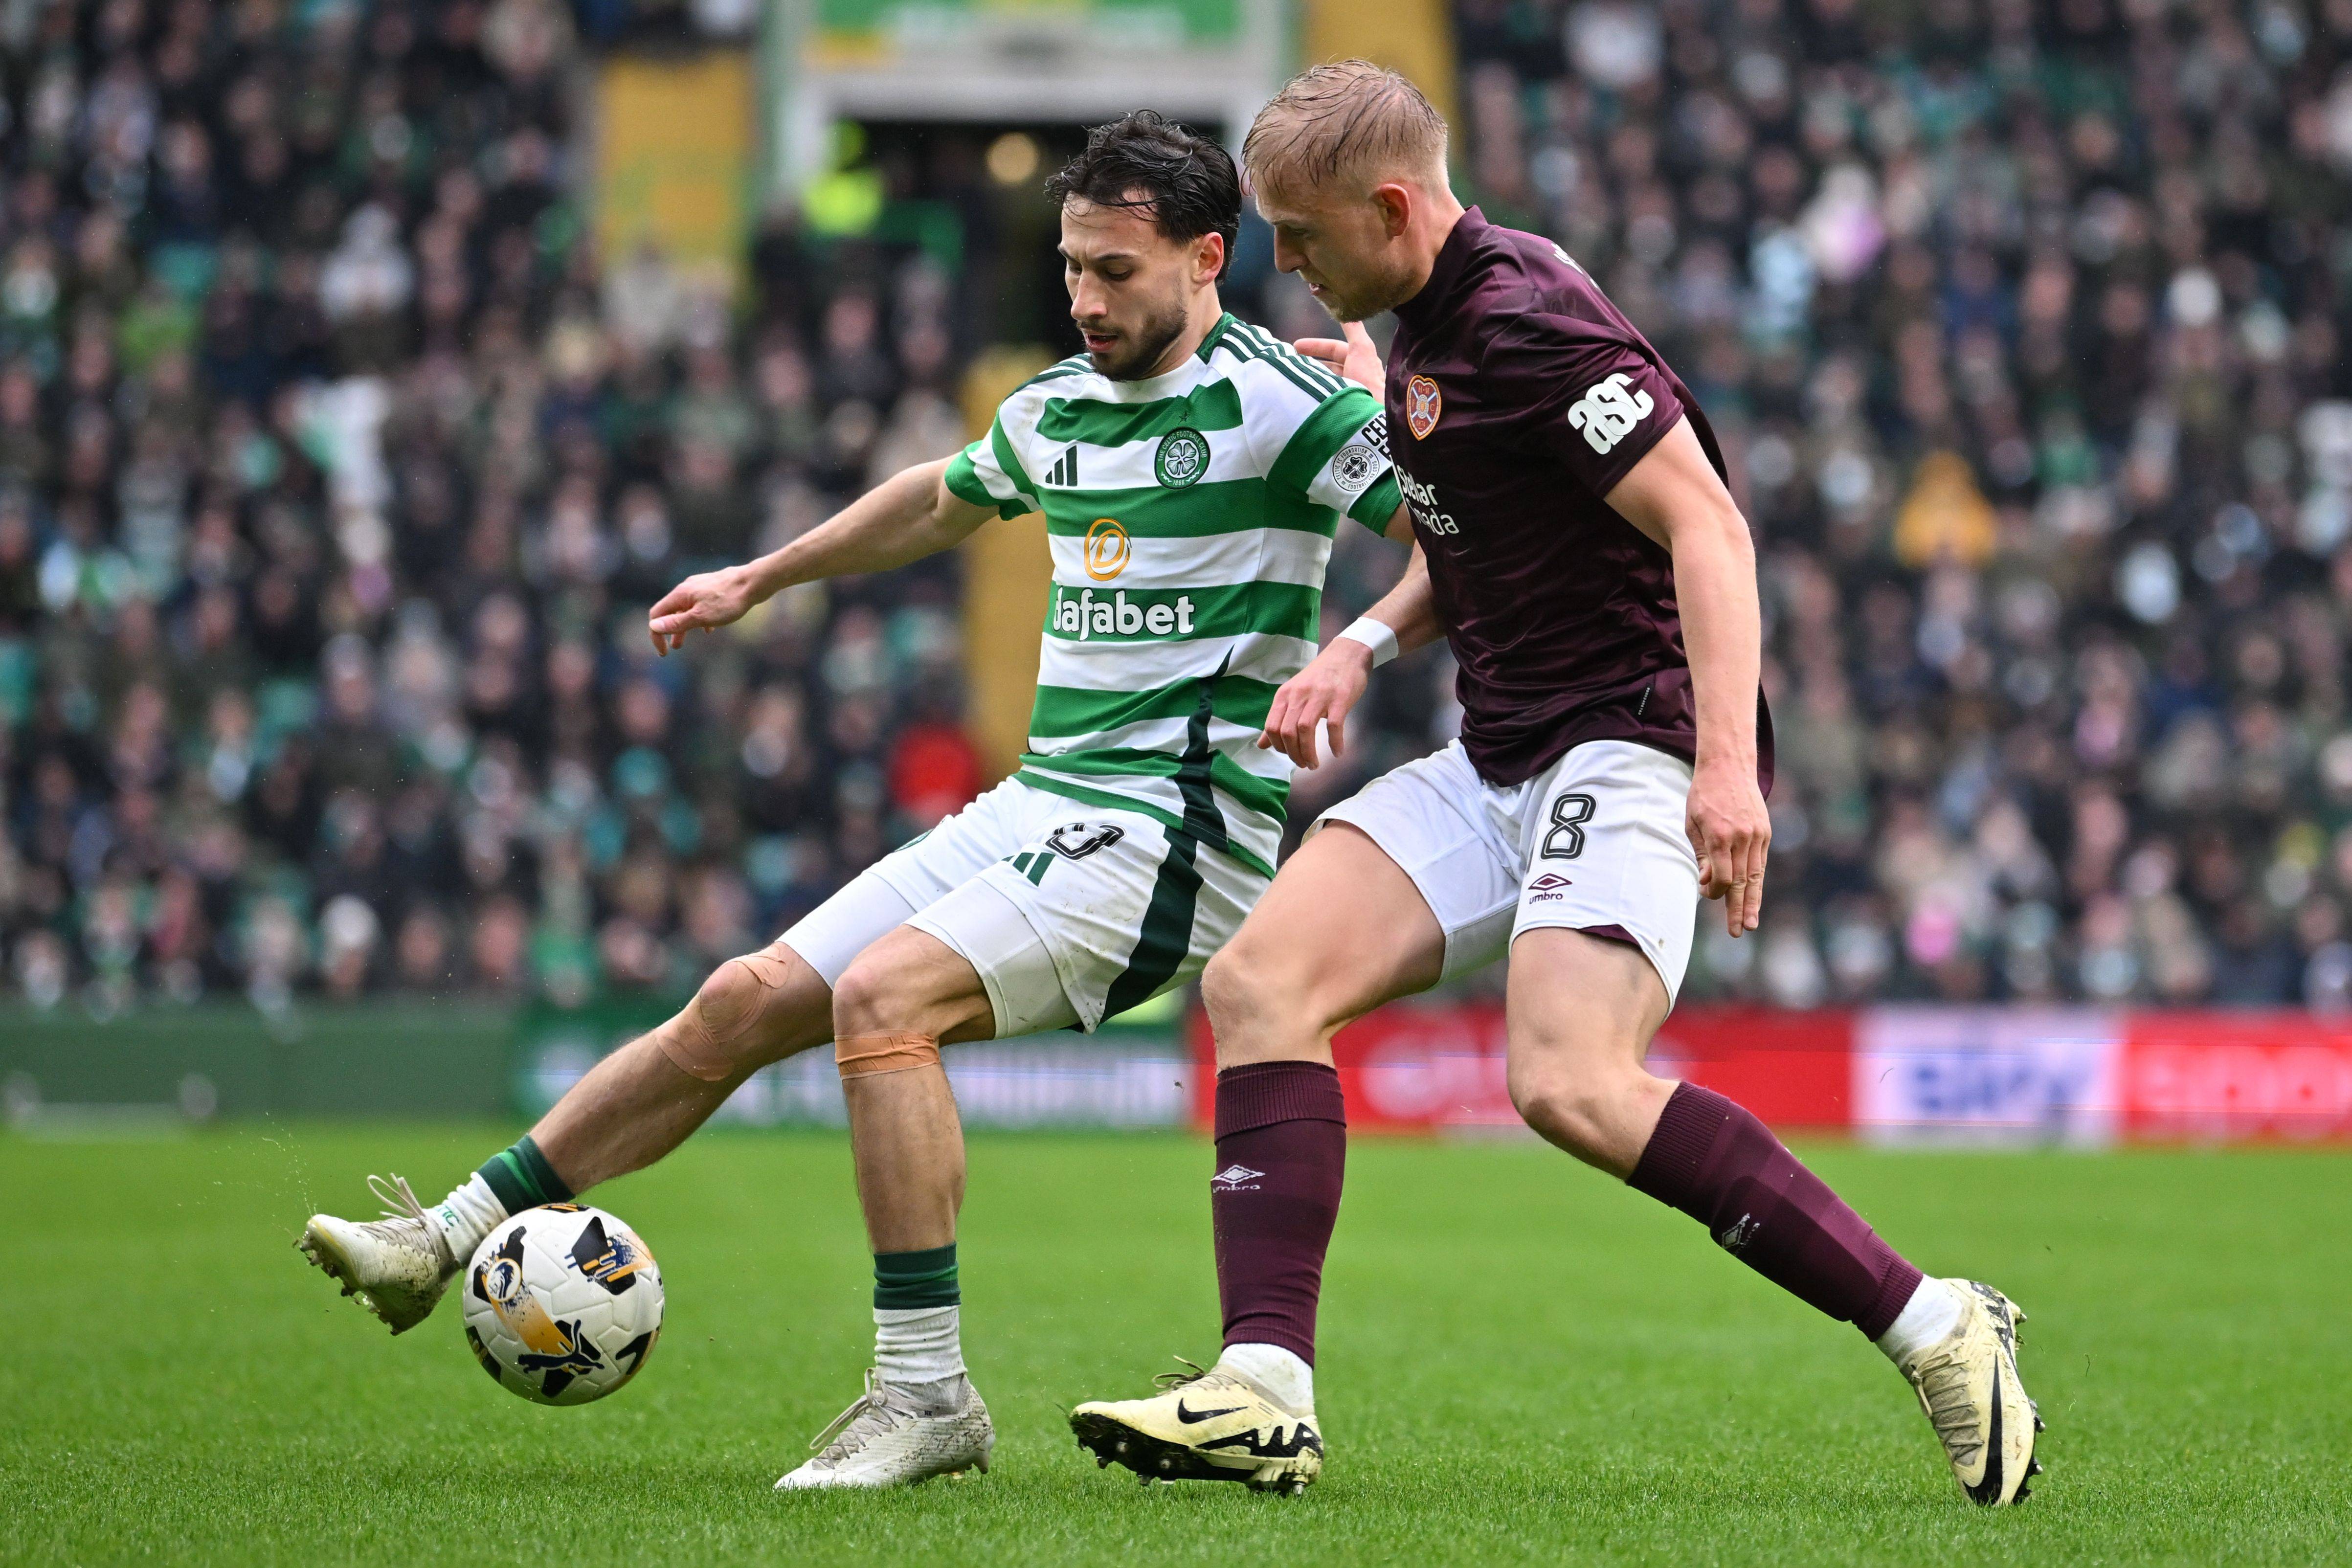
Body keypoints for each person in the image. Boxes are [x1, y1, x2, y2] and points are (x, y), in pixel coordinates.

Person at [296, 110, 1404, 1491]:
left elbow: (1457, 537)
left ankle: (923, 1397)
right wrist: (762, 575)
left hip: (1174, 833)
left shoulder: (1287, 405)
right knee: (738, 1004)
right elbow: (940, 500)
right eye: (1070, 266)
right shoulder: (1051, 406)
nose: (1083, 297)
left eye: (1116, 271)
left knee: (883, 1005)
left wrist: (1360, 634)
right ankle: (444, 1237)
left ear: (1206, 256)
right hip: (1039, 804)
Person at [1069, 63, 2043, 1508]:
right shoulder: (1426, 324)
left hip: (1628, 737)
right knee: (1262, 983)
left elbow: (1708, 531)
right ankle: (1260, 1392)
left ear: (1394, 209)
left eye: (1307, 231)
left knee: (1568, 1082)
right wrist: (1361, 642)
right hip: (1502, 744)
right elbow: (1479, 543)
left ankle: (1935, 1323)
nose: (1289, 262)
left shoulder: (1530, 326)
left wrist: (1723, 772)